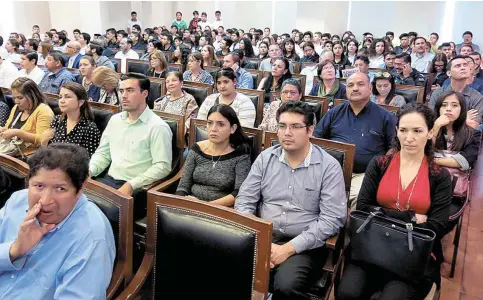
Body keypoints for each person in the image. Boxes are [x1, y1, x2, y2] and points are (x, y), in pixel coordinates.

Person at [337, 103, 452, 300]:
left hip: (412, 253)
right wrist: (411, 217)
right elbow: (363, 208)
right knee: (348, 293)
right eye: (403, 130)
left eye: (417, 131)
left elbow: (437, 226)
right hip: (372, 245)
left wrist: (381, 213)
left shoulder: (439, 175)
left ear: (431, 132)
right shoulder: (380, 164)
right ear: (396, 131)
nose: (409, 138)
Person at [235, 101, 347, 299]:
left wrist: (287, 249)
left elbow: (332, 219)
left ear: (310, 130)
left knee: (286, 287)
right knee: (224, 266)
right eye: (282, 126)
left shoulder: (328, 167)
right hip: (262, 236)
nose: (287, 132)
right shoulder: (265, 158)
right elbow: (245, 200)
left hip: (304, 245)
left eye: (295, 126)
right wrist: (258, 238)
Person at [0, 143, 115, 299]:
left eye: (60, 189)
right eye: (39, 186)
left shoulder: (92, 237)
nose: (46, 200)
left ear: (81, 187)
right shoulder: (17, 201)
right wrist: (14, 250)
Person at [313, 72, 397, 210]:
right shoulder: (335, 112)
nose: (355, 88)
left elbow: (393, 148)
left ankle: (350, 230)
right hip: (332, 170)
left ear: (370, 88)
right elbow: (317, 139)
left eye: (360, 84)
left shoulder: (385, 116)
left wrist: (378, 170)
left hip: (364, 174)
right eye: (350, 85)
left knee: (359, 196)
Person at [89, 73, 173, 196]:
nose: (123, 96)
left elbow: (162, 167)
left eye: (130, 91)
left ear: (144, 94)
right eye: (121, 91)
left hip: (135, 188)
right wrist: (90, 171)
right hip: (107, 180)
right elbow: (103, 153)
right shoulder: (115, 120)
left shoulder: (158, 127)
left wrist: (131, 184)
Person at [176, 104, 251, 206]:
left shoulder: (241, 154)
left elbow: (238, 193)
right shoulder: (196, 149)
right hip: (191, 205)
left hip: (221, 210)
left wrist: (206, 206)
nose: (213, 129)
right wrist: (180, 204)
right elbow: (183, 187)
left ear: (233, 128)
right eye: (210, 123)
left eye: (220, 124)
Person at [40, 82, 101, 157]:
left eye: (67, 97)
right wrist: (44, 142)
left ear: (80, 102)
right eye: (60, 97)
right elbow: (46, 152)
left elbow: (89, 161)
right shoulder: (57, 120)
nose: (62, 101)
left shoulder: (90, 128)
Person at [0, 78, 54, 156]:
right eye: (14, 98)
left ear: (32, 96)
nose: (16, 101)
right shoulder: (16, 107)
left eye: (20, 98)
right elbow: (8, 127)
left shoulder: (44, 111)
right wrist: (3, 130)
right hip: (10, 150)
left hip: (28, 155)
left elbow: (42, 140)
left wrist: (18, 133)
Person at [429, 56, 483, 129]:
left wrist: (446, 118)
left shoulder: (477, 97)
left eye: (465, 65)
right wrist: (464, 118)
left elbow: (473, 125)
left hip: (465, 138)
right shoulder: (438, 94)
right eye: (458, 66)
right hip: (440, 136)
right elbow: (432, 121)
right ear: (449, 73)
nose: (463, 68)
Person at [432, 91, 481, 171]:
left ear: (462, 109)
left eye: (454, 105)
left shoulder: (473, 134)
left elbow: (466, 161)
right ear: (438, 109)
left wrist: (433, 160)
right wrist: (436, 126)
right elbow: (422, 151)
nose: (448, 109)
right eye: (444, 105)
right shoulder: (429, 128)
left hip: (456, 180)